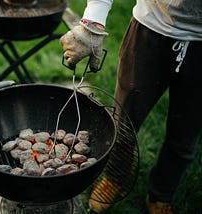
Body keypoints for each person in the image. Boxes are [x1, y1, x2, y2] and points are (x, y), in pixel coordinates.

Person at [60, 0, 202, 213]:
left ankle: (162, 194)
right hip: (151, 27)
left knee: (186, 134)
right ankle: (114, 177)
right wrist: (93, 21)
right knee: (125, 120)